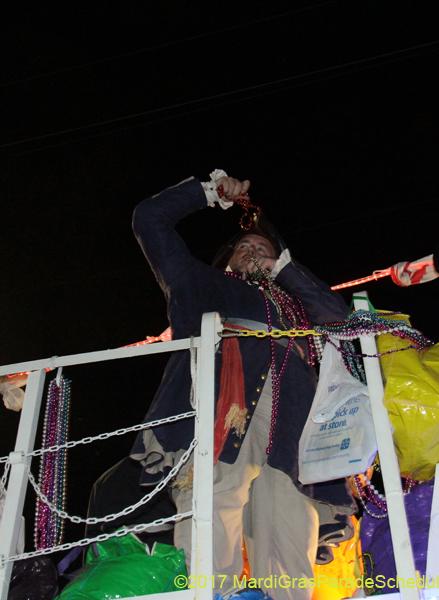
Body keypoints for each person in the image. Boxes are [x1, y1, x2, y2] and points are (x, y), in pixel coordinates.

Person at [131, 170, 355, 600]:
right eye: (245, 247)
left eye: (265, 250)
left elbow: (339, 318)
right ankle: (212, 595)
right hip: (221, 405)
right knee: (215, 502)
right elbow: (148, 219)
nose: (254, 251)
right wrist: (207, 192)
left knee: (290, 524)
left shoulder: (296, 304)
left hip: (292, 420)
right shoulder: (198, 283)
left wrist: (286, 271)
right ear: (227, 260)